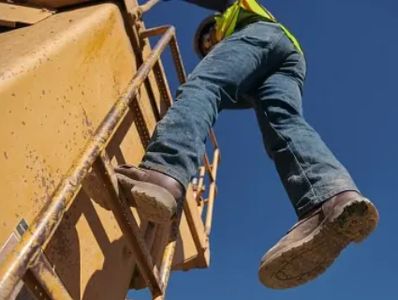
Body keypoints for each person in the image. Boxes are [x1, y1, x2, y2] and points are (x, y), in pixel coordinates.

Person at [115, 0, 379, 289]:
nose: (209, 45)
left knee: (201, 87)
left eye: (209, 38)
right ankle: (333, 201)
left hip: (261, 35)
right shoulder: (256, 48)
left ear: (217, 24)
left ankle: (163, 172)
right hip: (290, 58)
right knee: (284, 123)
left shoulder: (236, 9)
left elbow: (211, 89)